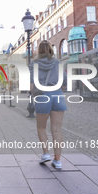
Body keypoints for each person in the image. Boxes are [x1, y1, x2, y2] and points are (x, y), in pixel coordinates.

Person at [29, 40, 67, 169]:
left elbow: (31, 86)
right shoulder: (58, 63)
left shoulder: (33, 64)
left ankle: (46, 153)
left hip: (43, 96)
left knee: (41, 128)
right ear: (51, 49)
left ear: (38, 51)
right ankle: (57, 161)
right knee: (56, 129)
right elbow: (65, 83)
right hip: (58, 96)